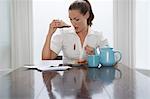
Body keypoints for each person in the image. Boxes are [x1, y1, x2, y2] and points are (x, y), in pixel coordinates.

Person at [42, 0, 108, 64]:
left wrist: (95, 55)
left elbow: (112, 59)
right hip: (68, 74)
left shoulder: (97, 35)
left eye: (77, 19)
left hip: (90, 74)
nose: (73, 23)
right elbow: (46, 59)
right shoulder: (63, 34)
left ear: (87, 15)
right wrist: (50, 33)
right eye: (71, 19)